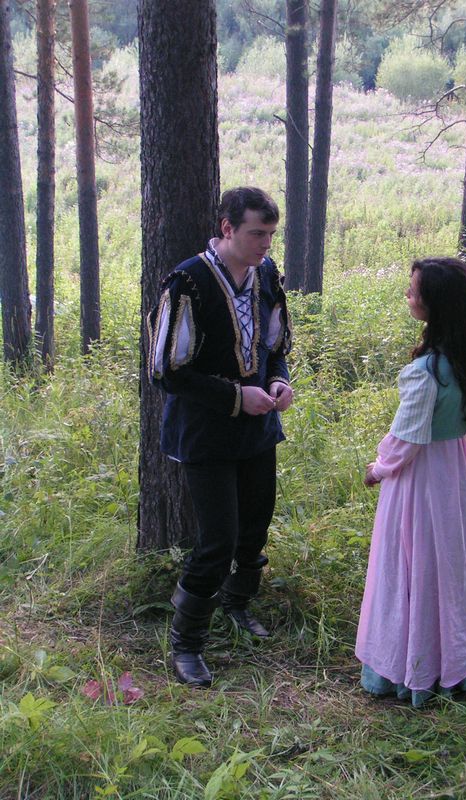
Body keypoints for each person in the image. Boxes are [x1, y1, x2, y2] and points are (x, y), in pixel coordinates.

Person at [147, 187, 293, 687]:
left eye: (271, 234)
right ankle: (186, 643)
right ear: (228, 228)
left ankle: (237, 605)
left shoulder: (266, 274)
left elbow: (275, 347)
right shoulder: (188, 281)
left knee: (255, 526)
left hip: (258, 427)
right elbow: (166, 370)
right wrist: (235, 396)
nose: (265, 244)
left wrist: (278, 382)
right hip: (205, 432)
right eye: (257, 233)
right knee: (217, 540)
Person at [355, 256, 466, 708]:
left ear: (435, 304)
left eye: (414, 290)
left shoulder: (426, 371)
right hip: (459, 470)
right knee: (452, 564)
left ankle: (416, 665)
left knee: (416, 565)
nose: (408, 295)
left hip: (424, 482)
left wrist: (378, 468)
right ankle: (453, 657)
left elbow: (408, 439)